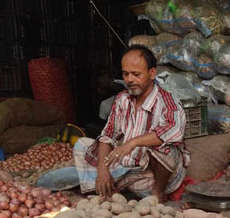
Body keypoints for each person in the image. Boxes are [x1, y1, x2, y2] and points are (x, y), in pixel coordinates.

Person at [73, 45, 190, 203]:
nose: (129, 80)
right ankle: (110, 189)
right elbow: (108, 135)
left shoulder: (167, 102)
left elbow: (172, 131)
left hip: (153, 176)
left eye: (136, 74)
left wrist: (132, 143)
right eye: (125, 74)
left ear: (152, 73)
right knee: (82, 145)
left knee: (166, 147)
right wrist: (103, 170)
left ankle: (158, 194)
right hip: (127, 170)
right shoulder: (122, 99)